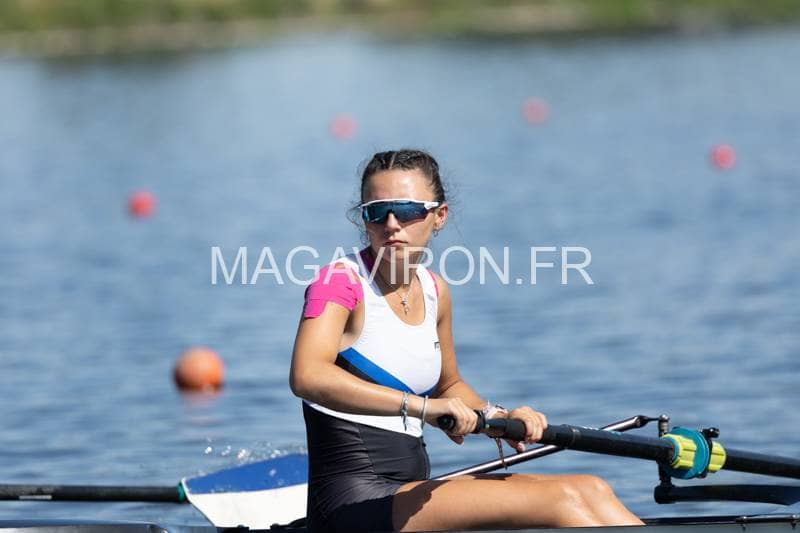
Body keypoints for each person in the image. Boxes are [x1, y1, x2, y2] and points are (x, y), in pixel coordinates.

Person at [289, 149, 643, 532]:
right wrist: (422, 408)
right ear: (365, 218)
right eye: (377, 212)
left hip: (408, 491)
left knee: (592, 488)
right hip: (352, 505)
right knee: (563, 498)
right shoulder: (338, 282)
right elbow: (308, 376)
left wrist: (499, 417)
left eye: (406, 210)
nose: (391, 224)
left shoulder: (434, 291)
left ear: (439, 216)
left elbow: (449, 385)